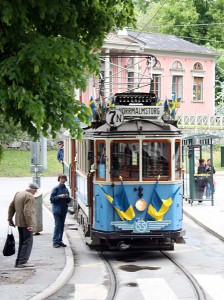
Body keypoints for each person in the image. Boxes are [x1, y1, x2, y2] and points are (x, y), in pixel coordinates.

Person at [8, 182, 39, 268]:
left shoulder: (18, 194)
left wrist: (10, 219)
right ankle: (22, 261)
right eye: (35, 191)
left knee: (22, 241)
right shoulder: (30, 196)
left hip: (19, 222)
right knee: (28, 241)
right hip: (26, 223)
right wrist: (30, 224)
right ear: (34, 190)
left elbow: (11, 206)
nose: (35, 192)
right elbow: (27, 211)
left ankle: (19, 261)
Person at [50, 174, 72, 248]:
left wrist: (67, 197)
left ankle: (60, 240)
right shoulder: (56, 189)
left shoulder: (66, 189)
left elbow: (68, 200)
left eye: (64, 179)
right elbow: (52, 199)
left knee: (62, 226)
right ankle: (55, 241)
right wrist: (59, 196)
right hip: (57, 210)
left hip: (63, 210)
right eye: (61, 179)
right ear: (59, 179)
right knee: (58, 225)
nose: (62, 180)